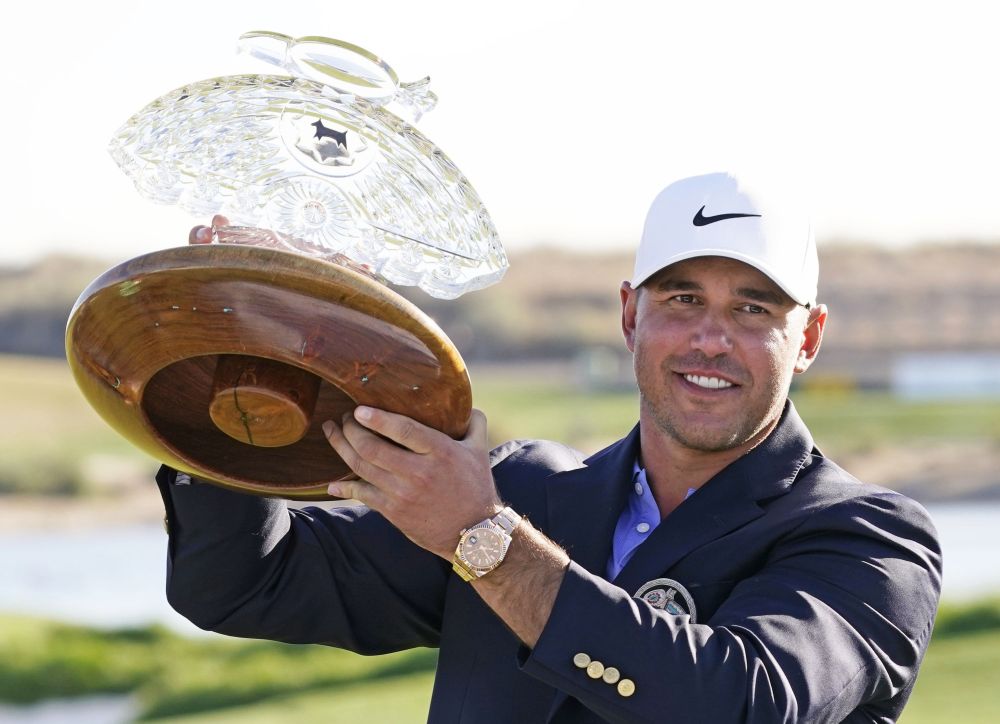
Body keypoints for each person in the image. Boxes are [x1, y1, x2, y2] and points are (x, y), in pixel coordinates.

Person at [161, 172, 941, 723]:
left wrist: (481, 541)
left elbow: (736, 704)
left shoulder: (870, 539)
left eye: (752, 308)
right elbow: (245, 584)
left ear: (806, 336)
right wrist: (247, 369)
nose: (711, 338)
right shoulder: (525, 492)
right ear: (631, 316)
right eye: (682, 299)